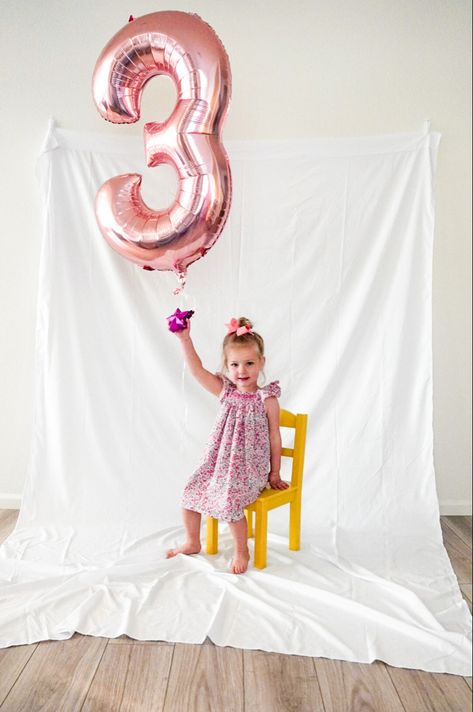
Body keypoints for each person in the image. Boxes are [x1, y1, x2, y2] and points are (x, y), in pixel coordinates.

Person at [166, 316, 289, 574]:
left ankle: (241, 550)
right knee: (191, 490)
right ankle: (192, 541)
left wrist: (274, 473)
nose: (241, 371)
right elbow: (197, 370)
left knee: (230, 499)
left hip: (248, 470)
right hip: (219, 464)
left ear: (261, 363)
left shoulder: (266, 399)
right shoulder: (226, 391)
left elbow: (275, 436)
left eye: (249, 363)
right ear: (227, 366)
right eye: (234, 364)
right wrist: (185, 339)